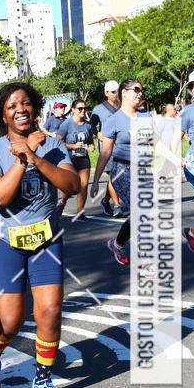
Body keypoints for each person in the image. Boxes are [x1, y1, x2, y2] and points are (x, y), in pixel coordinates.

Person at [0, 82, 79, 388]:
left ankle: (43, 380)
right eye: (12, 106)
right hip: (5, 245)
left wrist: (35, 156)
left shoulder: (53, 145)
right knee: (11, 322)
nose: (20, 109)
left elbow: (72, 184)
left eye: (25, 103)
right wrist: (21, 160)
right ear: (3, 115)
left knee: (50, 310)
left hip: (46, 242)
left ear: (35, 108)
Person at [90, 79, 154, 267]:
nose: (140, 93)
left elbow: (156, 144)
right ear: (124, 93)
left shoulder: (146, 116)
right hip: (122, 170)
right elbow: (105, 152)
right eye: (136, 89)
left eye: (142, 90)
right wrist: (95, 182)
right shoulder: (113, 120)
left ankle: (117, 244)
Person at [55, 99, 95, 221]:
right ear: (73, 110)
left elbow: (90, 139)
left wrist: (91, 145)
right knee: (72, 187)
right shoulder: (67, 124)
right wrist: (72, 146)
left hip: (83, 158)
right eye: (80, 109)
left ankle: (79, 213)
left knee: (83, 185)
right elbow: (58, 141)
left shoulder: (88, 125)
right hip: (69, 158)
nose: (83, 111)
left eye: (84, 108)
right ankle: (63, 201)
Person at [90, 80, 121, 216]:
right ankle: (117, 206)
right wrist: (97, 134)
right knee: (113, 176)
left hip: (122, 147)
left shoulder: (123, 106)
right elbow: (90, 126)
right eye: (113, 92)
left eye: (117, 91)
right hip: (108, 149)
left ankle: (105, 200)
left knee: (117, 177)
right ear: (106, 93)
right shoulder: (98, 109)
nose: (116, 94)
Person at [180, 70, 194, 252]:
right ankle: (192, 233)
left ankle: (192, 232)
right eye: (193, 86)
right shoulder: (188, 111)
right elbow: (176, 137)